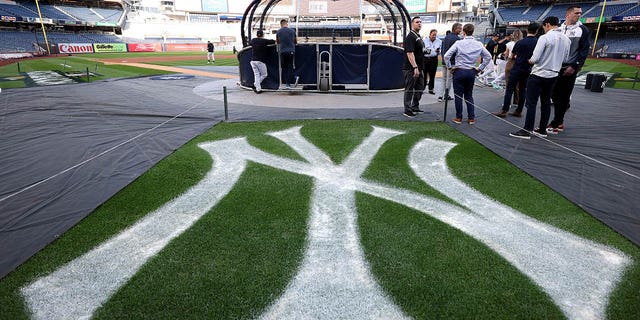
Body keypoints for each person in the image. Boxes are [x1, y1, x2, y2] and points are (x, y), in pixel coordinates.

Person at [510, 16, 570, 139]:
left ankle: (527, 130)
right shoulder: (566, 39)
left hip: (539, 74)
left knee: (531, 103)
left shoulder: (545, 37)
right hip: (553, 74)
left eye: (544, 26)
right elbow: (565, 59)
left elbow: (535, 58)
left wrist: (530, 60)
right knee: (546, 103)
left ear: (547, 24)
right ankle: (542, 130)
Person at [548, 5, 590, 134]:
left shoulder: (582, 30)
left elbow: (584, 51)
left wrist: (574, 66)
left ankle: (557, 122)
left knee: (564, 95)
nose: (579, 15)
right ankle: (559, 117)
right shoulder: (558, 29)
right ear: (568, 14)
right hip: (555, 67)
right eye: (577, 13)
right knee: (554, 95)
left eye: (580, 13)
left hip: (569, 68)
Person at [443, 23, 492, 124]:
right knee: (469, 96)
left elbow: (446, 56)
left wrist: (449, 67)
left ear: (463, 32)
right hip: (471, 71)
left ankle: (459, 117)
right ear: (472, 31)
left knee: (458, 96)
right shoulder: (478, 44)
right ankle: (471, 118)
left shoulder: (458, 43)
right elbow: (488, 57)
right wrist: (480, 68)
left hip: (459, 71)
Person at [493, 24, 538, 118]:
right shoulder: (537, 42)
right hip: (528, 69)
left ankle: (504, 110)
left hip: (517, 67)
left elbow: (512, 56)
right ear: (536, 31)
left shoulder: (520, 42)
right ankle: (519, 110)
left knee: (509, 89)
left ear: (527, 30)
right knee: (522, 90)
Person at [402, 17, 425, 118]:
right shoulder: (410, 37)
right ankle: (407, 109)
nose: (419, 24)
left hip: (419, 67)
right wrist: (415, 67)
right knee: (410, 89)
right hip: (411, 68)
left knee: (421, 86)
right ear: (412, 24)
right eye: (417, 22)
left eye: (420, 22)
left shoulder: (418, 36)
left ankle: (415, 106)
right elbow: (409, 53)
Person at [439, 23, 461, 102]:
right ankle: (446, 95)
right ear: (455, 29)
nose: (461, 30)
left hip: (444, 61)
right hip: (451, 62)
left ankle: (440, 95)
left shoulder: (446, 37)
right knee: (449, 79)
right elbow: (458, 53)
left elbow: (442, 50)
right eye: (459, 28)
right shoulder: (457, 39)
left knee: (443, 79)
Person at [503, 30, 523, 104]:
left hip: (510, 62)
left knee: (508, 84)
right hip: (519, 63)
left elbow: (506, 55)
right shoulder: (522, 43)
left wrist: (505, 56)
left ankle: (507, 102)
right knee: (517, 85)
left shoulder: (509, 44)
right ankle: (516, 101)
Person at [276, 19, 298, 89]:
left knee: (284, 67)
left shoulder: (278, 32)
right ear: (286, 24)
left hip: (282, 51)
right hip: (291, 50)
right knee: (290, 66)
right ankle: (292, 80)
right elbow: (295, 41)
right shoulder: (292, 31)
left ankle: (287, 83)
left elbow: (277, 42)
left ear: (281, 24)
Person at [423, 29, 441, 95]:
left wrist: (437, 51)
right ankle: (423, 88)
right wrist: (432, 51)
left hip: (434, 59)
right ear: (430, 34)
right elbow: (423, 50)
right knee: (424, 74)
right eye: (433, 35)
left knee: (432, 75)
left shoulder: (439, 41)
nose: (434, 36)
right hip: (426, 59)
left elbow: (439, 51)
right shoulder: (424, 41)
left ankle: (431, 89)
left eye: (435, 35)